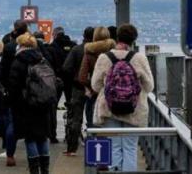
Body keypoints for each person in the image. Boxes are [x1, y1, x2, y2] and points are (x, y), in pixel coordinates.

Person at [92, 24, 153, 171]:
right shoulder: (139, 58)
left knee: (114, 148)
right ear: (134, 40)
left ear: (117, 37)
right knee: (130, 149)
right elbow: (149, 86)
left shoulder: (104, 58)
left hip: (110, 109)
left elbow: (95, 85)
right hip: (134, 110)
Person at [7, 33, 55, 174]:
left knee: (30, 138)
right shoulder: (42, 59)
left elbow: (13, 86)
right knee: (42, 136)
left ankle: (34, 169)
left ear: (20, 45)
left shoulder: (19, 61)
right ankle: (45, 169)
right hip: (43, 103)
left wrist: (12, 102)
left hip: (25, 105)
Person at [0, 20, 29, 166]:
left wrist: (5, 87)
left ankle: (10, 154)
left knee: (12, 122)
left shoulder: (9, 47)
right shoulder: (35, 46)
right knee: (32, 122)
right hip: (31, 91)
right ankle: (33, 154)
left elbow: (3, 69)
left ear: (15, 30)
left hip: (13, 90)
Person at [61, 26, 93, 156]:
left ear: (83, 35)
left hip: (78, 87)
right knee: (93, 119)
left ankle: (72, 148)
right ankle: (94, 147)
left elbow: (66, 68)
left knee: (75, 118)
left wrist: (74, 78)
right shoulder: (98, 51)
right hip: (94, 89)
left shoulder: (77, 49)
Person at [78, 26, 115, 131]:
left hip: (94, 94)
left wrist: (92, 87)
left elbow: (82, 77)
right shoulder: (114, 51)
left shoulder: (89, 52)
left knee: (92, 126)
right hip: (112, 94)